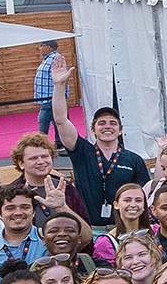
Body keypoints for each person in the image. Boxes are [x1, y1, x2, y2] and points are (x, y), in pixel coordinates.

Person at [47, 61, 149, 228]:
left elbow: (144, 196)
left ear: (120, 130)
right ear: (92, 129)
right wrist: (59, 85)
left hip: (123, 228)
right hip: (87, 228)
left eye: (112, 123)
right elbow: (60, 120)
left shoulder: (134, 160)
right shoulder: (81, 151)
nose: (107, 126)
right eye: (101, 123)